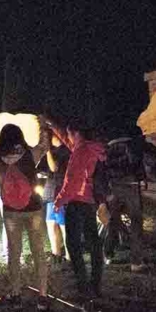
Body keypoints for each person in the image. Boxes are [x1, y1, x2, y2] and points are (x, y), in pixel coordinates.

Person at [0, 122, 51, 312]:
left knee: (14, 253)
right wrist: (43, 127)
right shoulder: (29, 155)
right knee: (38, 252)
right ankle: (42, 296)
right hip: (33, 208)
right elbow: (44, 146)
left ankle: (16, 294)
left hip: (11, 210)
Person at [51, 120, 109, 300]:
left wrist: (59, 201)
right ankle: (95, 284)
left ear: (76, 134)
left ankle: (83, 285)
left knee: (73, 244)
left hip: (77, 201)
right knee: (94, 242)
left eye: (69, 134)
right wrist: (53, 125)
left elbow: (72, 179)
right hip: (90, 201)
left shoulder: (81, 151)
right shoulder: (91, 148)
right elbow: (70, 144)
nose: (67, 138)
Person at [103, 136, 147, 272]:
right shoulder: (132, 146)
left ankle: (108, 254)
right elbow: (138, 165)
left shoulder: (108, 148)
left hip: (113, 187)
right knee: (136, 222)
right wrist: (142, 179)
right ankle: (136, 262)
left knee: (113, 221)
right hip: (131, 186)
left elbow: (103, 169)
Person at [44, 135, 71, 269]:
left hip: (60, 192)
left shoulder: (65, 151)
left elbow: (54, 167)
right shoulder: (52, 150)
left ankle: (70, 257)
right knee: (51, 224)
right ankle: (56, 255)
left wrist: (47, 151)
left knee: (63, 225)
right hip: (50, 192)